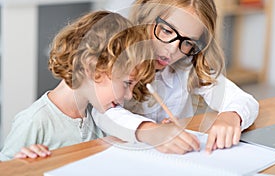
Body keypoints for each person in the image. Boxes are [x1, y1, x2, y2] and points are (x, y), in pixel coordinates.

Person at [0, 10, 200, 161]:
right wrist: (21, 162)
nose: (129, 95)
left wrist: (156, 131)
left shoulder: (95, 115)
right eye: (127, 83)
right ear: (93, 68)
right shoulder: (35, 121)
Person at [93, 0, 259, 153]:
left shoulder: (186, 66)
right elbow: (102, 112)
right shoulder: (120, 56)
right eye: (166, 30)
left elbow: (244, 100)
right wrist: (150, 131)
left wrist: (231, 116)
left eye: (188, 42)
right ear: (145, 15)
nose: (173, 50)